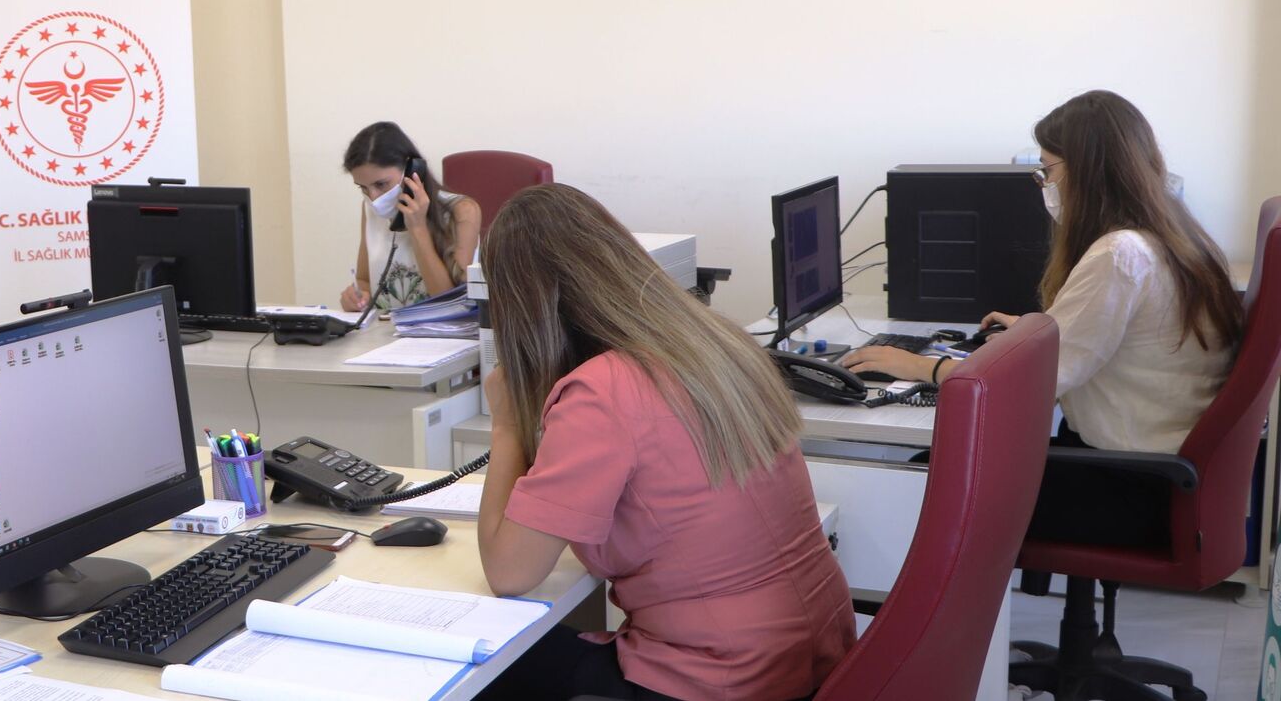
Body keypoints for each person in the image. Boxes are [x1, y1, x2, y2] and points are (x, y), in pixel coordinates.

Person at [474, 184, 853, 701]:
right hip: (816, 660)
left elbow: (509, 572)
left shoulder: (600, 393)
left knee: (491, 663)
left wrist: (506, 425)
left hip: (721, 678)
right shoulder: (714, 340)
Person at [843, 90, 1241, 547]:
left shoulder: (1119, 255)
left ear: (1086, 173)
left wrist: (918, 365)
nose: (1045, 184)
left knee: (921, 476)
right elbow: (1111, 339)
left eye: (1048, 171)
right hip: (1162, 474)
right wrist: (1035, 334)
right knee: (945, 467)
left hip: (1129, 486)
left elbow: (1029, 387)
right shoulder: (1173, 233)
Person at [339, 122, 482, 311]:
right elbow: (364, 281)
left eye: (381, 184)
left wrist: (417, 228)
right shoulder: (369, 210)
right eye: (363, 188)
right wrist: (356, 297)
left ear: (412, 170)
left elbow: (449, 303)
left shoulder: (463, 211)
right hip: (386, 327)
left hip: (438, 328)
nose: (373, 198)